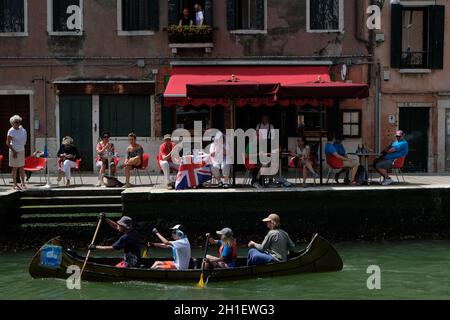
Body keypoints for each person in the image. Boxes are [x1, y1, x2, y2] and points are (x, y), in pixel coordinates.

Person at [6, 115, 27, 191]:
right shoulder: (11, 131)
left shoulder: (23, 130)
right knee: (15, 168)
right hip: (14, 151)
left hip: (21, 150)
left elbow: (24, 140)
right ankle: (15, 184)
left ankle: (23, 183)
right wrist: (14, 152)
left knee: (22, 167)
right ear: (12, 123)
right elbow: (7, 143)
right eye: (16, 122)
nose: (18, 123)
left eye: (19, 122)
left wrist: (21, 147)